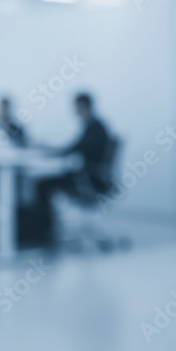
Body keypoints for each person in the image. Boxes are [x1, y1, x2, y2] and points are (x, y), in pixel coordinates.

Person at [28, 93, 112, 246]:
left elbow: (73, 149)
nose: (75, 111)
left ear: (83, 107)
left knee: (42, 185)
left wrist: (49, 151)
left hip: (89, 180)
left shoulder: (94, 129)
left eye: (76, 107)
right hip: (91, 177)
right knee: (46, 183)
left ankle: (43, 235)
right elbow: (74, 149)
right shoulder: (95, 126)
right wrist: (52, 150)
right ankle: (44, 231)